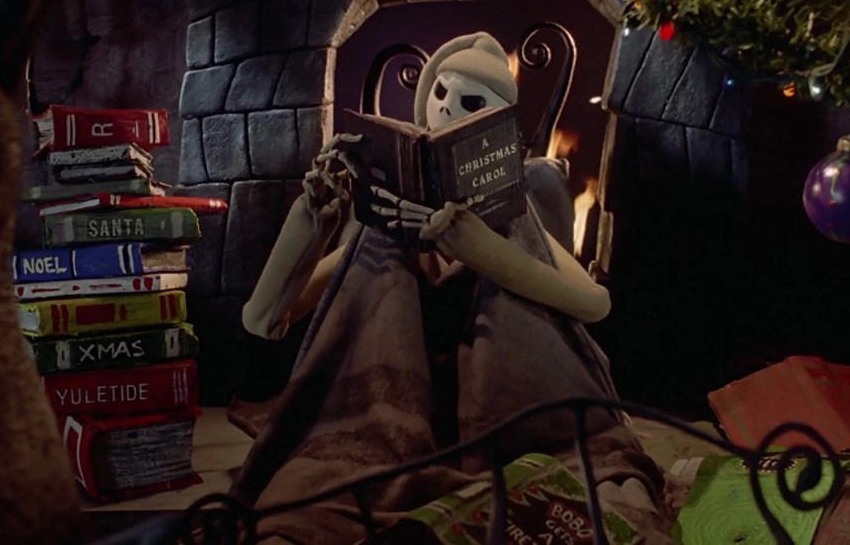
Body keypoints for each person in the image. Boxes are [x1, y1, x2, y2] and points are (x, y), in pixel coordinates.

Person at [229, 32, 674, 543]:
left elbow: (595, 303)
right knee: (302, 507)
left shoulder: (517, 223)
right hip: (387, 428)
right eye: (440, 93)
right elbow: (262, 320)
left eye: (470, 102)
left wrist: (483, 250)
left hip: (508, 425)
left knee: (603, 491)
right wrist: (309, 224)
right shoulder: (382, 230)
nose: (446, 109)